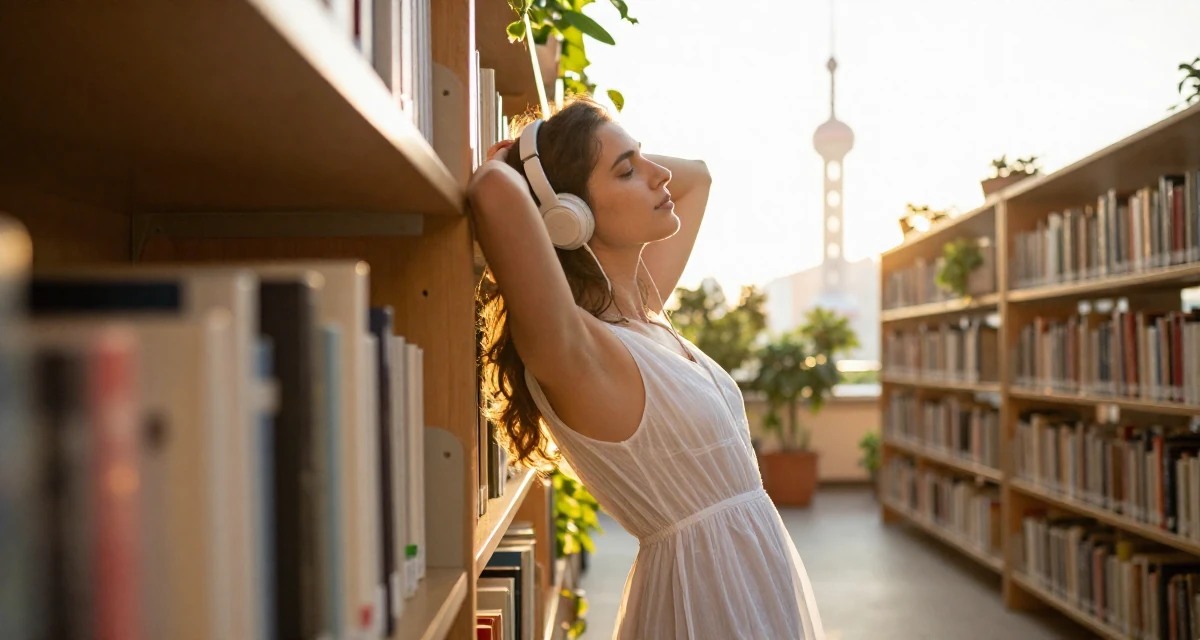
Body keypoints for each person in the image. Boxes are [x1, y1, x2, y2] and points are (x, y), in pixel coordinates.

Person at [468, 95, 825, 640]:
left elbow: (698, 178)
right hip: (704, 603)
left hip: (751, 581)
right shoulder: (581, 351)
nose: (659, 175)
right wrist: (522, 162)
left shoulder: (642, 314)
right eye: (628, 171)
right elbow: (493, 193)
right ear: (569, 215)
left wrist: (604, 150)